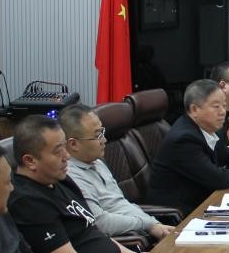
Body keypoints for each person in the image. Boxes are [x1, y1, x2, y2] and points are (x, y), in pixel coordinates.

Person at [7, 115, 141, 253]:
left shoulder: (61, 180)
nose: (67, 156)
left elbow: (92, 230)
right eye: (58, 151)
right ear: (30, 161)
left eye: (65, 147)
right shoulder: (28, 203)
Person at [60, 104, 176, 242]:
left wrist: (154, 224)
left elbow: (120, 204)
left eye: (102, 132)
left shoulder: (96, 162)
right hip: (123, 242)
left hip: (140, 229)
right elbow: (101, 223)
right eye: (97, 135)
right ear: (73, 144)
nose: (104, 140)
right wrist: (148, 224)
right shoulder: (71, 177)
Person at [148, 79, 229, 215]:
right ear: (194, 109)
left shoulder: (206, 131)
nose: (223, 112)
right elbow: (215, 178)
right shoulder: (184, 139)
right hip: (179, 216)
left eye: (224, 106)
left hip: (203, 205)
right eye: (216, 106)